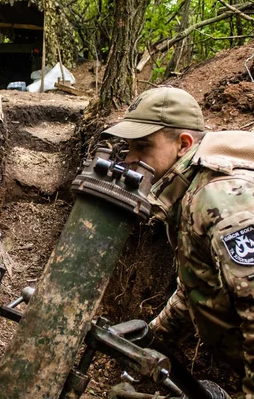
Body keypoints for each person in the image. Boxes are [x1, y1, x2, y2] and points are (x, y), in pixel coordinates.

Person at [102, 86, 254, 397]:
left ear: (183, 144)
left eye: (142, 147)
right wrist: (150, 340)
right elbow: (199, 287)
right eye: (129, 147)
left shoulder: (221, 200)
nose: (130, 159)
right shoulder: (189, 190)